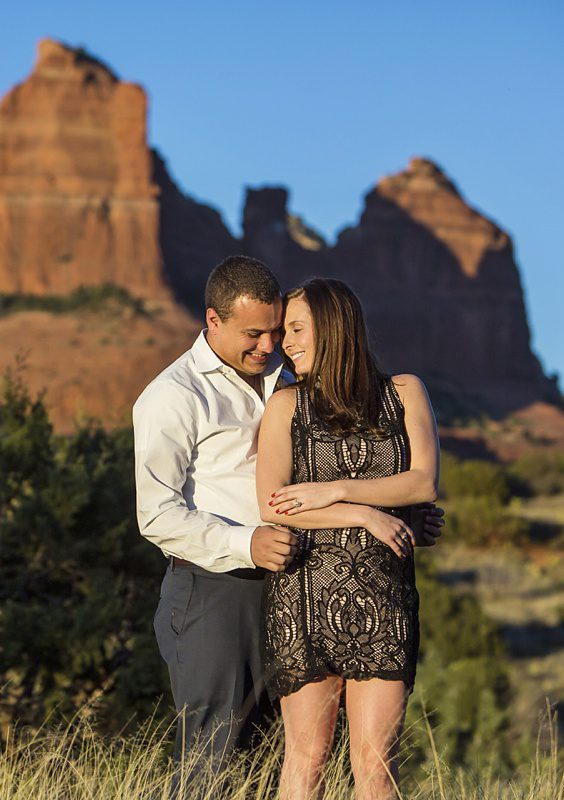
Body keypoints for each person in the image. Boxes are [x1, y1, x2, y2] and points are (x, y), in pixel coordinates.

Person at [133, 258, 443, 788]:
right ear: (213, 320)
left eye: (278, 331)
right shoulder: (175, 395)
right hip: (215, 587)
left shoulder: (285, 376)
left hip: (289, 584)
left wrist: (400, 513)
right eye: (254, 334)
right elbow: (155, 513)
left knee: (272, 757)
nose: (268, 345)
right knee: (216, 754)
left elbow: (348, 460)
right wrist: (247, 542)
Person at [255, 278, 440, 800]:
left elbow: (423, 481)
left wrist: (332, 490)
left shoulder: (404, 392)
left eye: (295, 329)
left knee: (375, 765)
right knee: (306, 759)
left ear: (335, 328)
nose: (284, 343)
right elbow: (274, 505)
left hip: (385, 602)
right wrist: (364, 512)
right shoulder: (286, 406)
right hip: (304, 599)